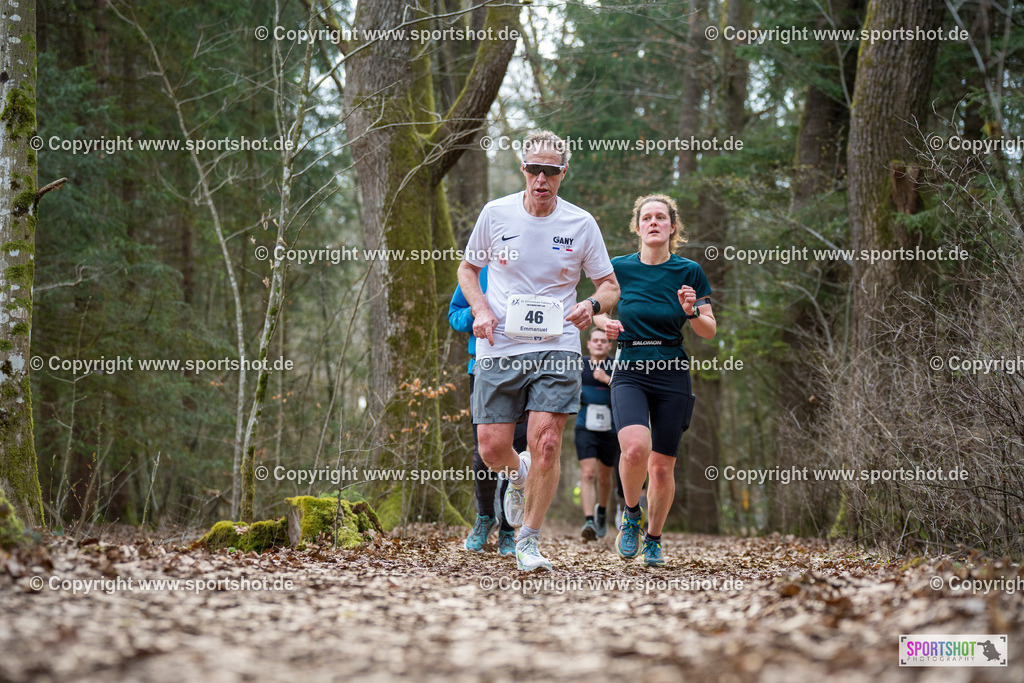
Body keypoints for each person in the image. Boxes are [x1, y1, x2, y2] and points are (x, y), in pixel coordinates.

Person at [457, 130, 620, 572]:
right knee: (491, 449)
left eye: (551, 171)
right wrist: (481, 309)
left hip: (557, 345)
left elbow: (609, 285)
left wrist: (591, 306)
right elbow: (468, 269)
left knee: (546, 443)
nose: (541, 179)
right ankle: (518, 474)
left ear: (563, 172)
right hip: (500, 346)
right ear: (523, 169)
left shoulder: (580, 223)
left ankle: (528, 541)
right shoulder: (496, 214)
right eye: (534, 169)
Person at [596, 194, 716, 567]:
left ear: (672, 226)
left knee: (662, 466)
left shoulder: (689, 271)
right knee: (635, 448)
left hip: (671, 370)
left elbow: (709, 329)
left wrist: (691, 311)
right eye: (646, 217)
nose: (653, 223)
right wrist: (606, 323)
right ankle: (632, 513)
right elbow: (598, 308)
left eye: (660, 217)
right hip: (630, 366)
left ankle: (654, 539)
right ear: (637, 227)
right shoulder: (618, 268)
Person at [448, 266, 528, 555]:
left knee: (516, 449)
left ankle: (507, 528)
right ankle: (485, 517)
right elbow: (454, 315)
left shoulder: (532, 266)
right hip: (483, 368)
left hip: (527, 369)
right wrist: (475, 313)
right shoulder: (476, 272)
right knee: (485, 450)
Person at [575, 328, 621, 541]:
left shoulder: (616, 366)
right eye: (596, 340)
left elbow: (626, 391)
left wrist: (606, 379)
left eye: (604, 341)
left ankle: (601, 511)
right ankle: (589, 521)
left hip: (610, 429)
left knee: (604, 477)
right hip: (585, 426)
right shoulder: (579, 365)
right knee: (588, 474)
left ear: (610, 345)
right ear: (589, 344)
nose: (599, 344)